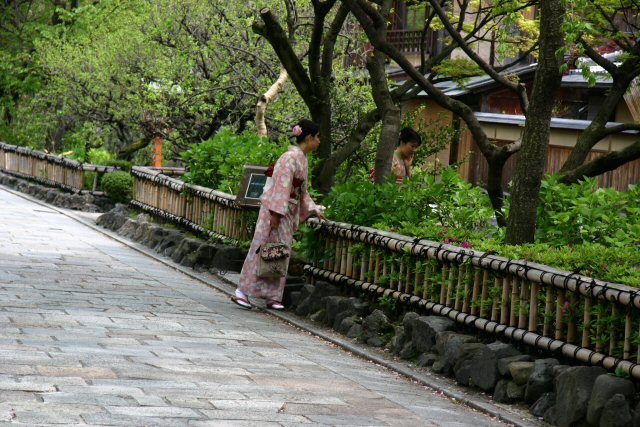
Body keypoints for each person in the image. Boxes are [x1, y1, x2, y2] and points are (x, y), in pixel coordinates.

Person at [232, 119, 326, 310]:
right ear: (309, 137)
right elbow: (281, 188)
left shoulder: (302, 159)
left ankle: (272, 295)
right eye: (317, 138)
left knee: (279, 252)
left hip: (287, 210)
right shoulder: (289, 158)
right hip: (276, 211)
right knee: (261, 248)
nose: (319, 142)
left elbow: (302, 192)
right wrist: (275, 213)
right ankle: (242, 290)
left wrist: (315, 209)